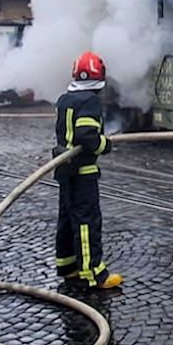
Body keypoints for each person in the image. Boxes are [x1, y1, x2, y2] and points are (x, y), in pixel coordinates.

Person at [52, 51, 122, 289]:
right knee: (86, 221)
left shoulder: (64, 99)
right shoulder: (90, 102)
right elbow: (86, 137)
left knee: (67, 217)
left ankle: (67, 265)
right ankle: (94, 273)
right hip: (83, 172)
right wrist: (106, 145)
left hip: (64, 170)